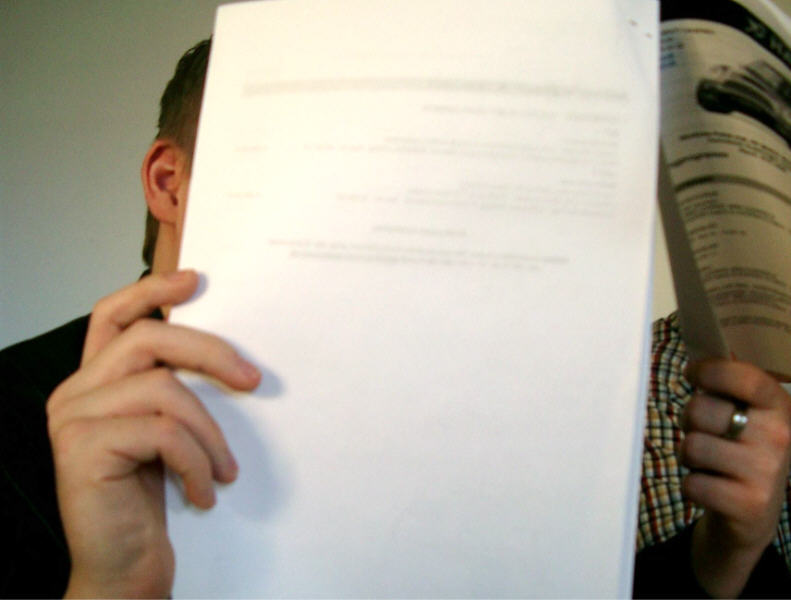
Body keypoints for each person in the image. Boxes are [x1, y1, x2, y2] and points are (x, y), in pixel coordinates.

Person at [1, 38, 791, 598]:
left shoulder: (456, 391)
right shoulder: (12, 413)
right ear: (169, 183)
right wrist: (112, 589)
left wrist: (720, 557)